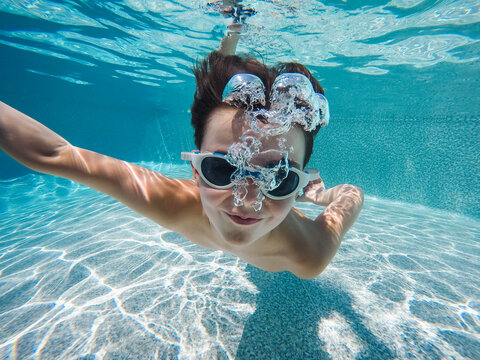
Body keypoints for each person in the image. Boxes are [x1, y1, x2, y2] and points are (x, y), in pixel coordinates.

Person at [0, 28, 363, 280]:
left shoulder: (308, 254)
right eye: (222, 169)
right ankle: (229, 41)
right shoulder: (172, 202)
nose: (247, 200)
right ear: (194, 169)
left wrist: (322, 195)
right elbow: (54, 154)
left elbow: (352, 196)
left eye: (280, 178)